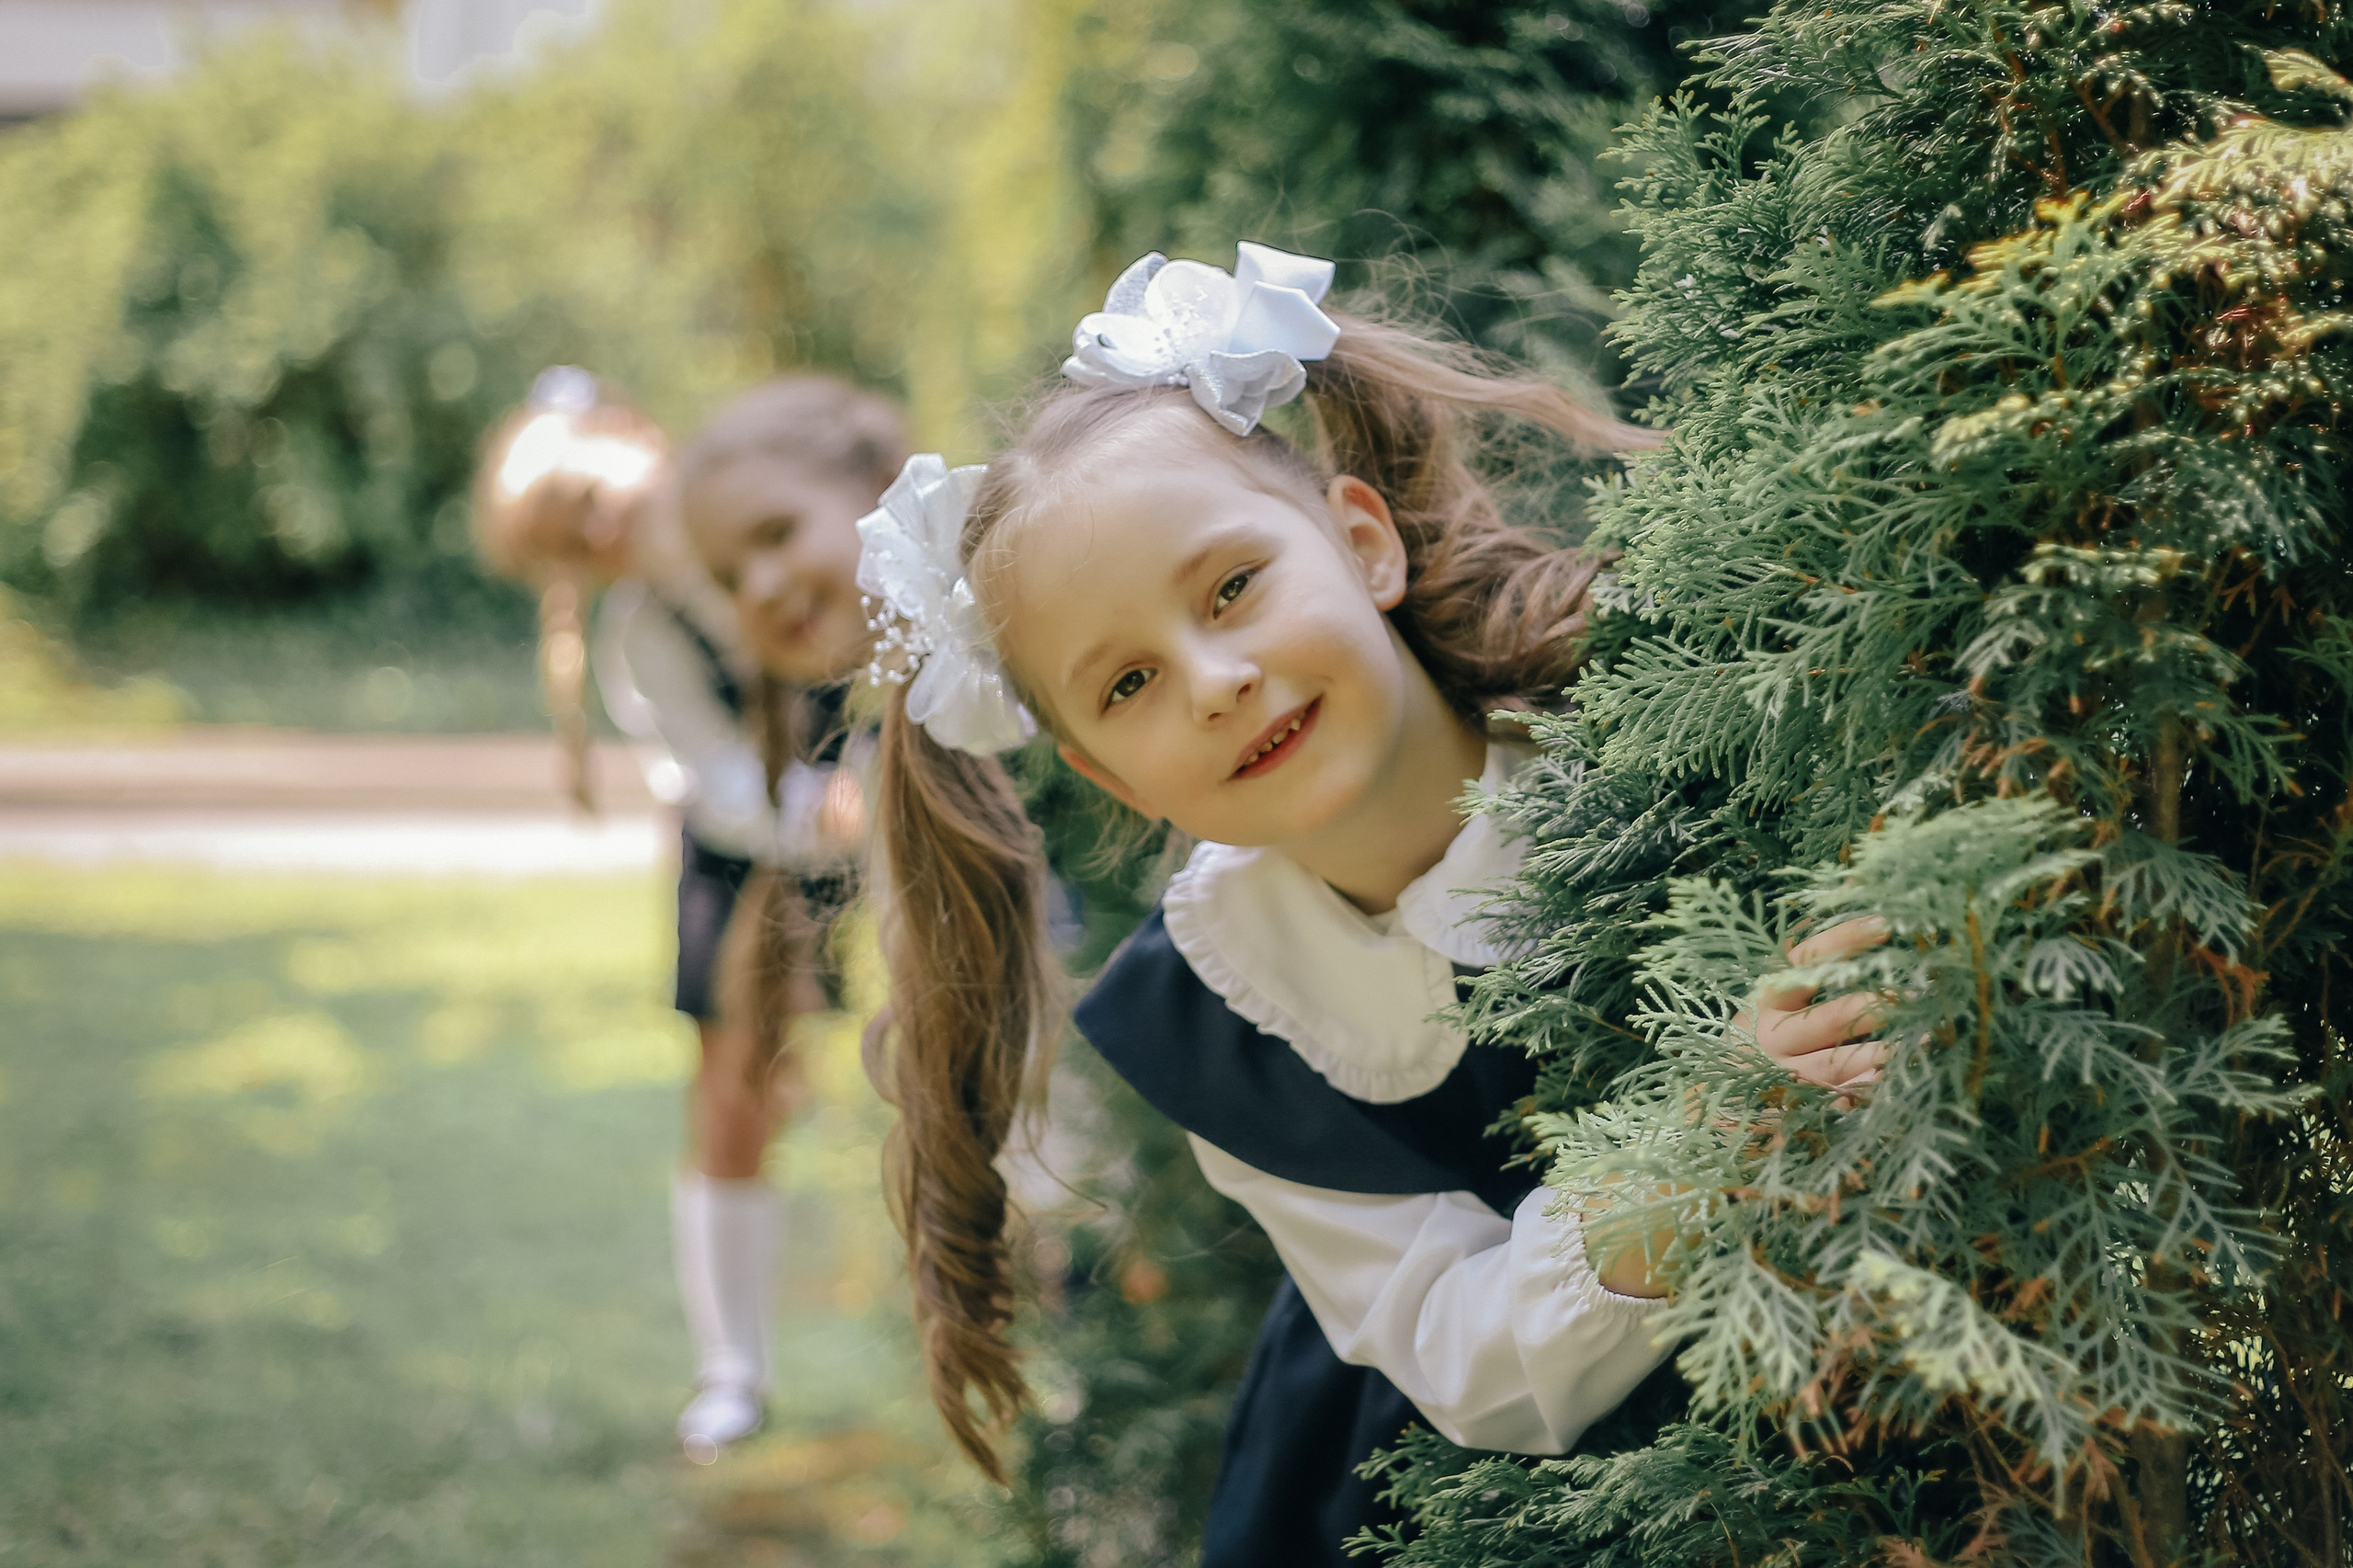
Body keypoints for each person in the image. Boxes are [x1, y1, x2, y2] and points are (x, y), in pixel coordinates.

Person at [850, 245, 1886, 1562]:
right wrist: (1679, 1175)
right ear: (1107, 775)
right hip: (1448, 1495)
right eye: (1126, 686)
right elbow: (1464, 1356)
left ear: (1361, 540)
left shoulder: (1653, 728)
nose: (1214, 678)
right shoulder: (1225, 1011)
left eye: (1232, 587)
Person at [472, 368, 892, 1461]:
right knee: (731, 1091)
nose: (602, 522)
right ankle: (733, 1368)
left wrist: (882, 783)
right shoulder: (648, 632)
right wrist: (816, 812)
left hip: (890, 787)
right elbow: (719, 779)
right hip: (751, 838)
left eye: (593, 489)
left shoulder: (777, 509)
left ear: (635, 436)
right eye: (574, 530)